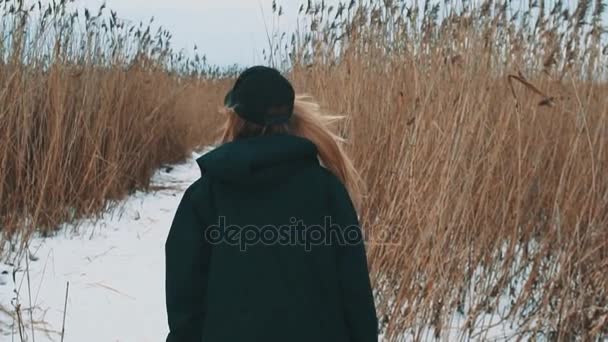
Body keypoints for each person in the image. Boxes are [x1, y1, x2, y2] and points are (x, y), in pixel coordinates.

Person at [165, 66, 378, 342]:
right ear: (289, 118)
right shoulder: (328, 191)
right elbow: (355, 296)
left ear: (236, 118)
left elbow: (186, 306)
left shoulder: (204, 198)